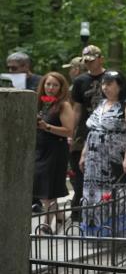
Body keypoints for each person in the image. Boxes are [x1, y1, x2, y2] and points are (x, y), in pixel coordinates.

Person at [79, 70, 126, 236]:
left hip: (115, 160)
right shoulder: (102, 103)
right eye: (103, 84)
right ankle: (95, 231)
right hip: (94, 161)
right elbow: (93, 130)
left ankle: (119, 233)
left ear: (119, 86)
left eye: (109, 84)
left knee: (117, 195)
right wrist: (84, 154)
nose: (105, 87)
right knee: (93, 196)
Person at [33, 72, 75, 233]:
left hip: (55, 150)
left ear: (61, 88)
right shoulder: (40, 102)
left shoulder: (63, 105)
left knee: (48, 188)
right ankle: (60, 217)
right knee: (43, 186)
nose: (50, 88)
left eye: (55, 85)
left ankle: (46, 223)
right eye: (48, 84)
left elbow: (69, 131)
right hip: (40, 149)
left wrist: (47, 127)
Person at [69, 45, 107, 221]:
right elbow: (77, 109)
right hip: (84, 131)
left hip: (106, 130)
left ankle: (101, 212)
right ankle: (78, 211)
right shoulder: (80, 81)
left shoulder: (112, 78)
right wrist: (71, 130)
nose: (90, 64)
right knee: (79, 171)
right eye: (87, 61)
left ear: (100, 59)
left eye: (92, 60)